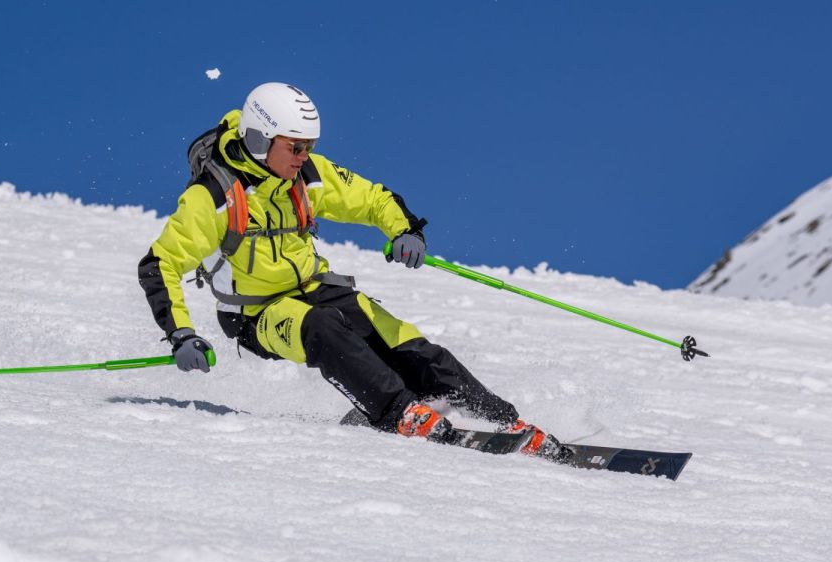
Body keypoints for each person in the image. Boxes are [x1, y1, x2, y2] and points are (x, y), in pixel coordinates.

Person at [138, 82, 566, 459]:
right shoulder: (213, 195)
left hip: (313, 286)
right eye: (295, 146)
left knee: (402, 340)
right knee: (324, 328)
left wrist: (406, 230)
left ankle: (502, 420)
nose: (305, 156)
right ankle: (399, 413)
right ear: (258, 139)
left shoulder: (305, 175)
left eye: (309, 146)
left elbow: (371, 198)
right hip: (256, 314)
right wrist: (181, 333)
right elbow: (160, 265)